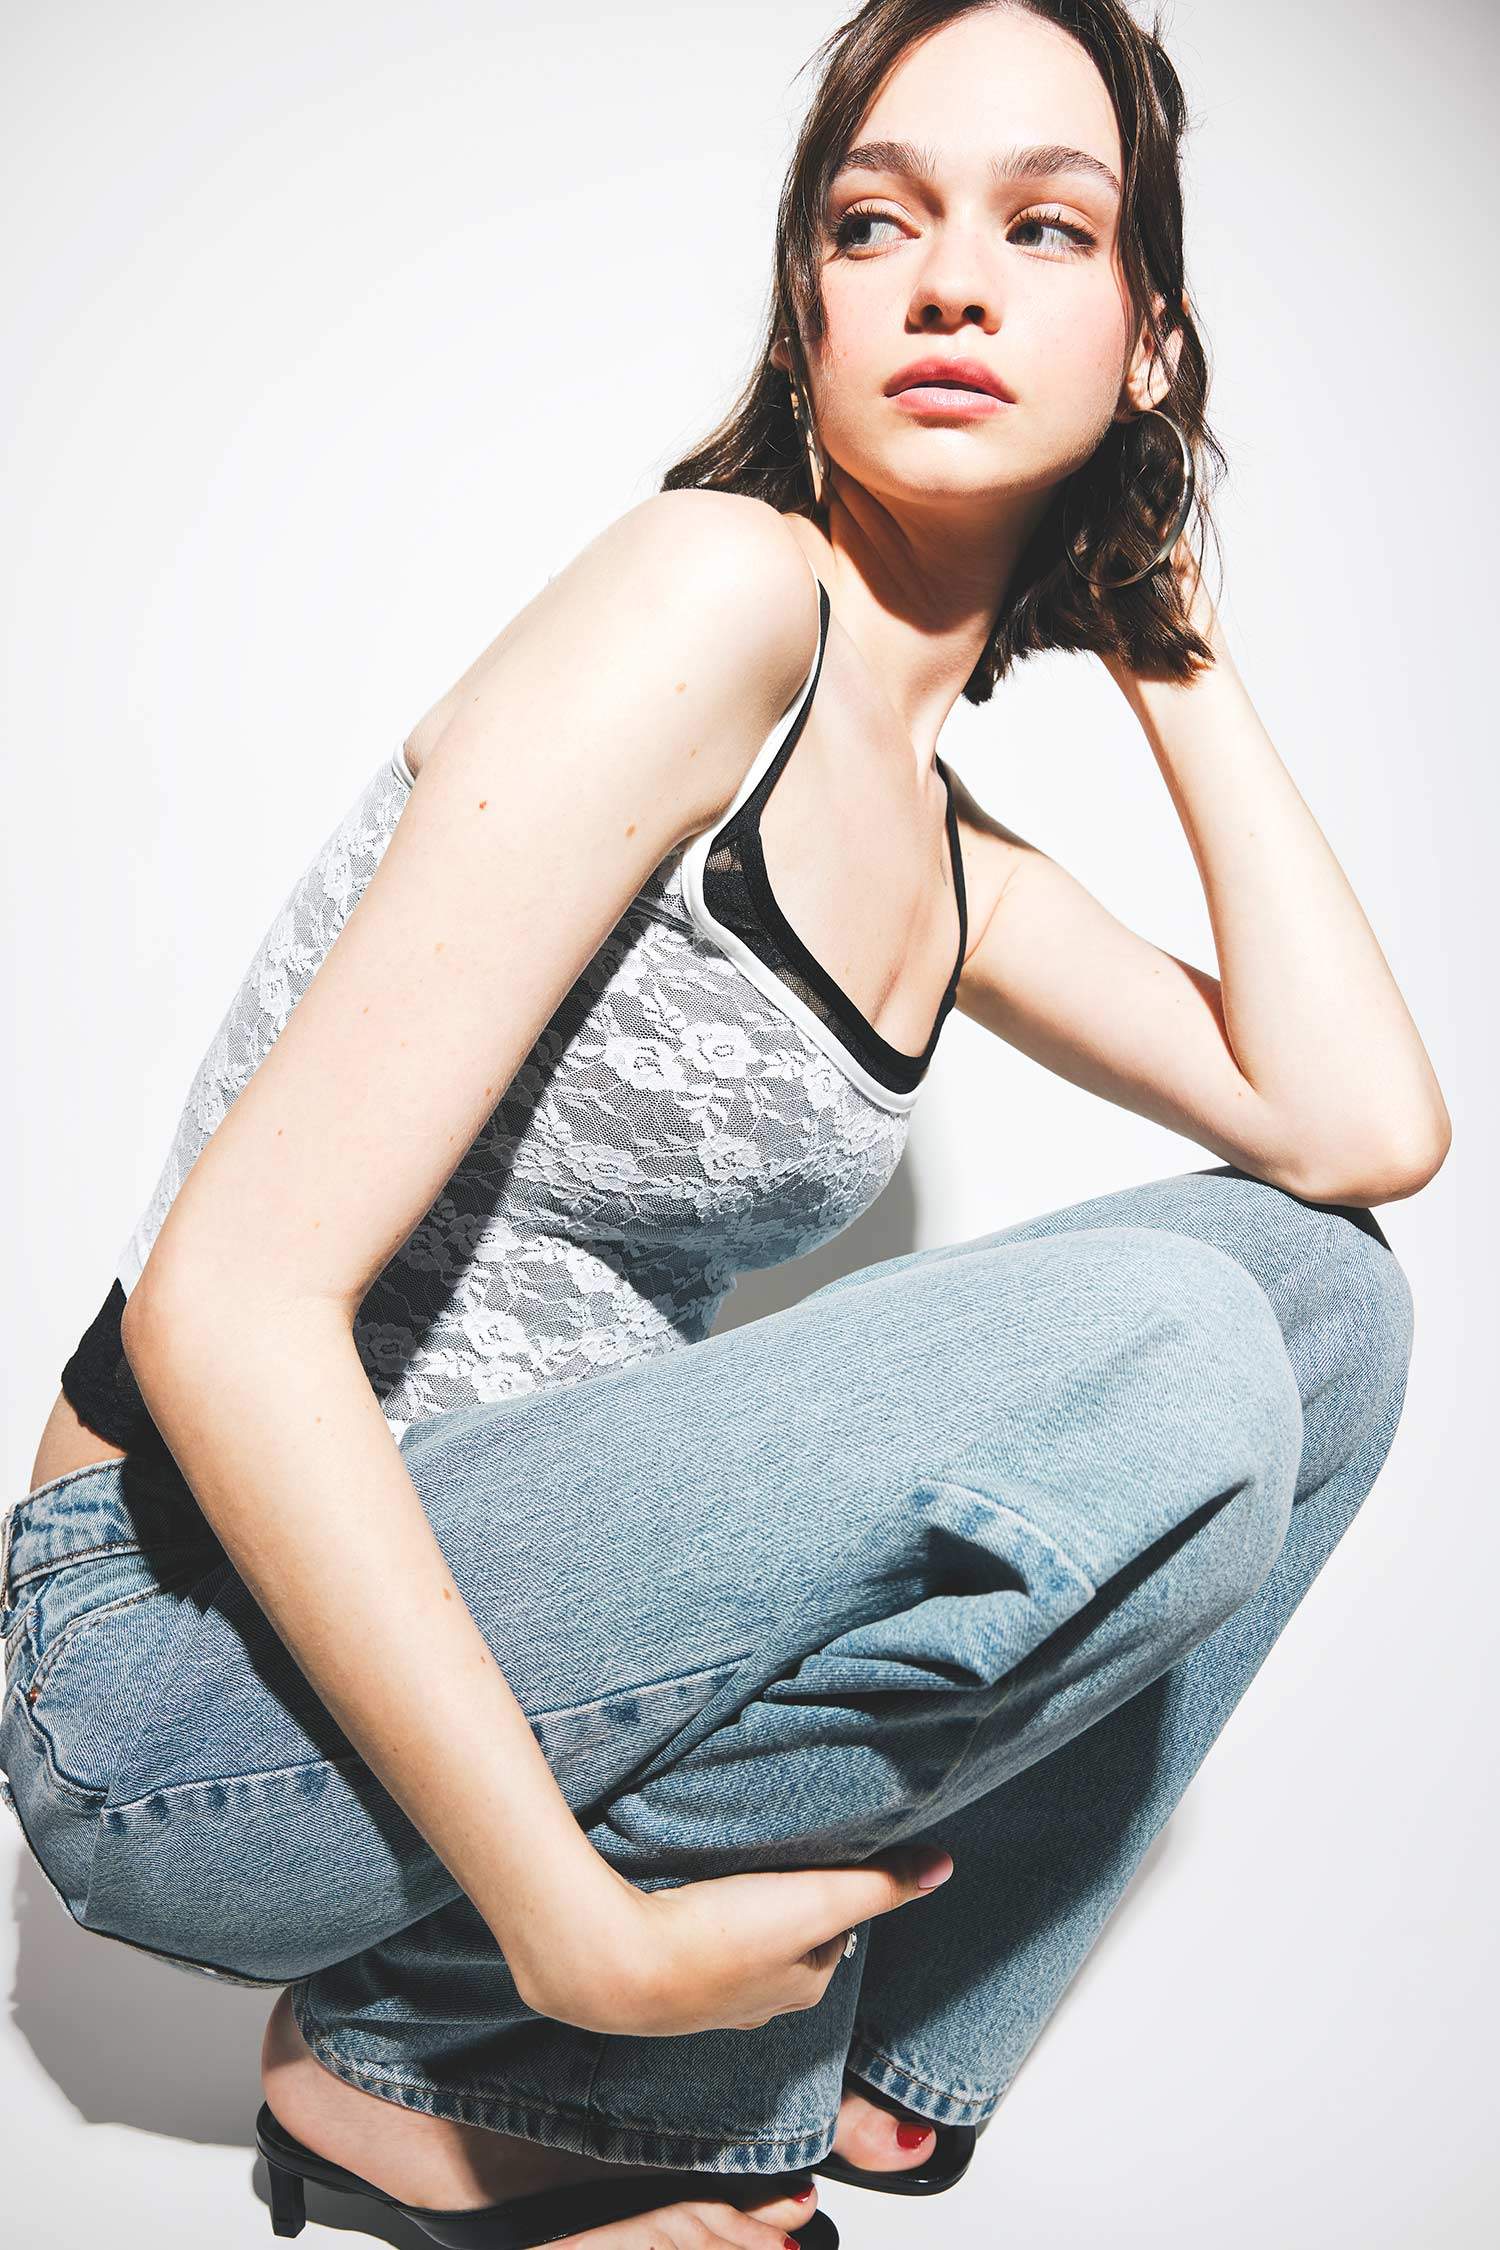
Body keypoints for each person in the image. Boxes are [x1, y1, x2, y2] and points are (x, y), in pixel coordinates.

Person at [3, 3, 1446, 2245]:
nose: (948, 280)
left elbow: (1360, 1129)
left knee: (1317, 1306)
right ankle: (470, 2058)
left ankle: (857, 2057)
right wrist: (563, 1919)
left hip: (532, 1617)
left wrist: (1166, 622)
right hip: (183, 1657)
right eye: (877, 223)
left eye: (1046, 229)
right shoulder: (712, 593)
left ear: (1146, 339)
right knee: (1166, 1353)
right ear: (807, 310)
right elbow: (226, 1304)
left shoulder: (944, 852)